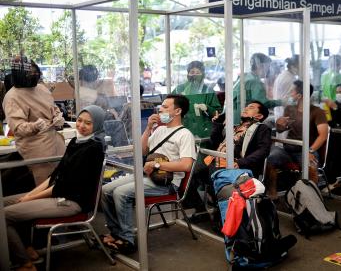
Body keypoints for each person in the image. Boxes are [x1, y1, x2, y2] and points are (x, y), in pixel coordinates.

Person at [4, 105, 107, 271]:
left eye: (88, 123)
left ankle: (25, 263)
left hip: (70, 202)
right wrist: (30, 194)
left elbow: (62, 186)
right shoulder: (76, 142)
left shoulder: (93, 148)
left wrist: (29, 198)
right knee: (4, 203)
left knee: (5, 215)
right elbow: (55, 176)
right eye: (79, 120)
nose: (81, 125)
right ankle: (29, 251)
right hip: (59, 194)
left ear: (97, 125)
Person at [100, 94, 196, 254]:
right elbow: (142, 150)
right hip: (149, 175)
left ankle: (126, 239)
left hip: (166, 183)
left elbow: (186, 165)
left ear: (178, 111)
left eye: (165, 107)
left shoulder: (185, 135)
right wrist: (148, 129)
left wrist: (157, 164)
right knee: (105, 190)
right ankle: (115, 232)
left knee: (120, 193)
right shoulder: (159, 130)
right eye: (161, 106)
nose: (160, 109)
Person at [186, 100, 272, 219]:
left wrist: (240, 162)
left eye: (251, 107)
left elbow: (263, 150)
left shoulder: (262, 129)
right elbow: (214, 143)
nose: (245, 108)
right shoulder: (236, 128)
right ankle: (202, 210)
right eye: (246, 106)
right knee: (188, 176)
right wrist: (218, 124)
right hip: (215, 162)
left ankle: (222, 215)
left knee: (214, 176)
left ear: (259, 116)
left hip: (236, 167)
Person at [3, 56, 66, 186]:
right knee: (45, 186)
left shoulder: (41, 88)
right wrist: (35, 126)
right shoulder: (12, 97)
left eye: (36, 73)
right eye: (30, 73)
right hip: (36, 149)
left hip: (56, 143)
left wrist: (57, 116)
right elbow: (18, 128)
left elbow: (53, 108)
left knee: (63, 181)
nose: (34, 76)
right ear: (20, 75)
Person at [266, 80, 328, 198]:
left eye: (292, 91)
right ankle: (272, 194)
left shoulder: (317, 112)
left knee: (311, 167)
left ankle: (310, 199)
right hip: (288, 149)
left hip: (306, 149)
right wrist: (280, 125)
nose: (290, 94)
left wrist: (309, 151)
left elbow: (323, 135)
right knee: (269, 160)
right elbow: (280, 130)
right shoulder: (289, 109)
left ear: (300, 95)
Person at [172, 61, 221, 138]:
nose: (195, 74)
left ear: (203, 74)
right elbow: (169, 107)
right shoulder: (179, 89)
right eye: (192, 72)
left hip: (204, 132)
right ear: (188, 74)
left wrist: (207, 108)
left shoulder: (208, 91)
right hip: (182, 130)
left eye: (198, 72)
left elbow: (217, 113)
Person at [233, 53, 282, 124]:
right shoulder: (254, 81)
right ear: (261, 66)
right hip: (240, 120)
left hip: (233, 118)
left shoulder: (247, 77)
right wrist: (282, 102)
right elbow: (263, 103)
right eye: (268, 67)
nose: (268, 70)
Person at [273, 55, 299, 121]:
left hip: (280, 114)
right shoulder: (290, 79)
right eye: (299, 66)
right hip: (285, 115)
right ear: (292, 66)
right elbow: (289, 100)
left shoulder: (283, 75)